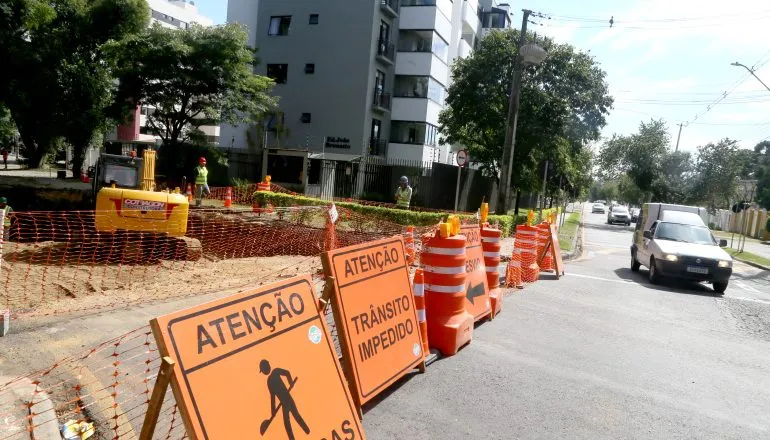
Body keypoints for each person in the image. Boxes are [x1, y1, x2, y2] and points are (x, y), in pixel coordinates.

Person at [259, 359, 309, 440]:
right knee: (287, 423)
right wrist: (273, 412)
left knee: (296, 416)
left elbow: (287, 373)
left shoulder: (275, 372)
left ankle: (307, 431)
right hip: (284, 404)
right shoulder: (269, 381)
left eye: (264, 369)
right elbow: (272, 397)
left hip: (288, 399)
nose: (265, 371)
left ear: (267, 366)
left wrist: (290, 383)